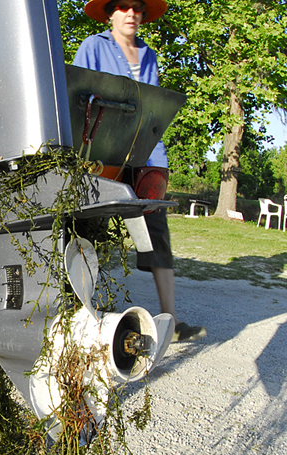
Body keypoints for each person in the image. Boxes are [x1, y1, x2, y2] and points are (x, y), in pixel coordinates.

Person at [73, 0, 207, 342]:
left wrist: (157, 162)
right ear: (110, 13)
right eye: (122, 6)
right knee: (85, 229)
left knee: (157, 231)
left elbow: (152, 114)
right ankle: (80, 318)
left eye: (137, 7)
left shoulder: (149, 56)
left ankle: (172, 321)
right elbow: (74, 98)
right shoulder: (92, 47)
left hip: (144, 155)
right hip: (99, 154)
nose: (131, 12)